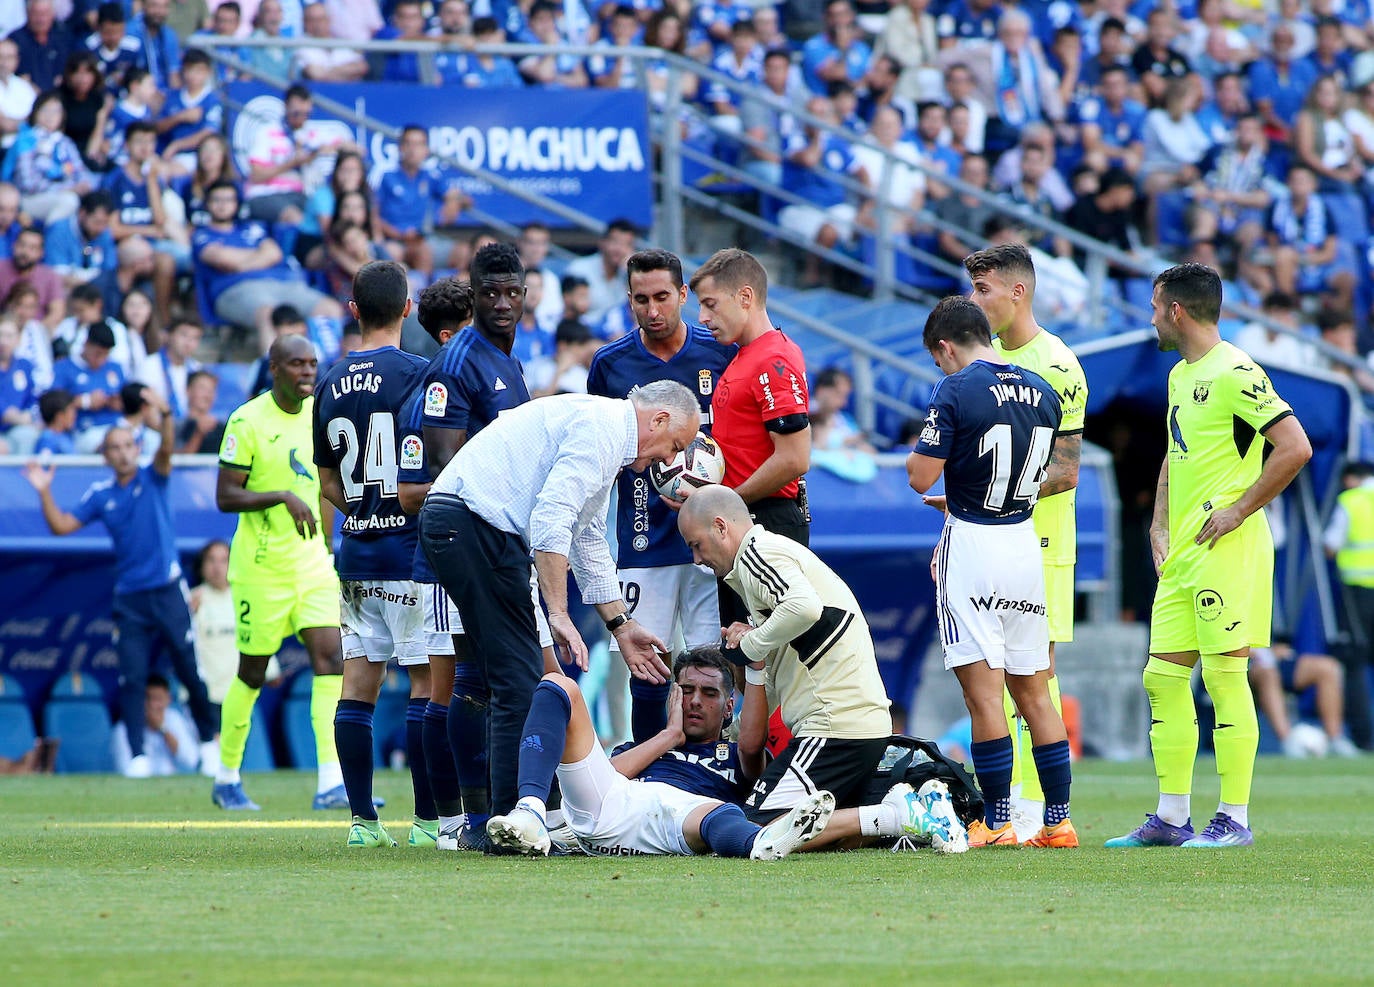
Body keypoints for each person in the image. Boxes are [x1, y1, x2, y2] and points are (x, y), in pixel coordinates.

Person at [418, 381, 700, 817]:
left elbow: (585, 537)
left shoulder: (604, 428)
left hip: (466, 525)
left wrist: (621, 625)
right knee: (519, 682)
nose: (668, 460)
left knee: (505, 679)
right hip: (475, 527)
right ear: (659, 420)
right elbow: (552, 518)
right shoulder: (603, 432)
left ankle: (507, 815)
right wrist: (558, 612)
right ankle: (515, 819)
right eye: (674, 445)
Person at [1106, 264, 1312, 849]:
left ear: (1177, 311)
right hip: (1184, 551)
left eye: (1154, 306)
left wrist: (1240, 510)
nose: (1149, 316)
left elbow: (1294, 447)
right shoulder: (1179, 375)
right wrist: (1157, 521)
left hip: (1228, 545)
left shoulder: (1237, 371)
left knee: (1225, 675)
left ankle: (1235, 819)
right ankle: (1172, 818)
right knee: (1162, 676)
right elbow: (1178, 454)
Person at [675, 485, 958, 851]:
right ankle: (889, 817)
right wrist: (741, 702)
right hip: (852, 725)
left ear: (720, 527)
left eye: (696, 544)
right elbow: (775, 672)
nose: (697, 558)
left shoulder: (757, 555)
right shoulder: (764, 563)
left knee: (755, 832)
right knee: (788, 830)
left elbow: (805, 607)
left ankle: (898, 815)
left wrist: (751, 642)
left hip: (834, 726)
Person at [396, 251, 555, 850]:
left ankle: (487, 812)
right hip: (460, 548)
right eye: (491, 292)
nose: (503, 303)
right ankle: (460, 816)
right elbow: (436, 477)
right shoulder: (457, 363)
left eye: (513, 291)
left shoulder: (507, 363)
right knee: (462, 682)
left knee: (484, 679)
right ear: (474, 294)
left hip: (499, 544)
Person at [907, 295, 1078, 848]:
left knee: (985, 696)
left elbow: (919, 475)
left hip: (974, 547)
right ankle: (1058, 823)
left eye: (940, 359)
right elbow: (1055, 470)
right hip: (1024, 543)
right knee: (1035, 692)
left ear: (945, 346)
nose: (942, 368)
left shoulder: (955, 389)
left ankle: (998, 820)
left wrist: (950, 477)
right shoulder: (1044, 391)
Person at [23, 391, 218, 779]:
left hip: (167, 590)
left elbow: (166, 447)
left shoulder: (155, 475)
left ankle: (209, 743)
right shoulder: (101, 495)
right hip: (130, 598)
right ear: (106, 456)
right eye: (116, 448)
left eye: (129, 445)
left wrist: (163, 413)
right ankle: (137, 755)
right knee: (131, 677)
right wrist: (44, 491)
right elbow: (61, 526)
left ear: (136, 447)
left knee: (187, 666)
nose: (124, 452)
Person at [586, 248, 736, 744]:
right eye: (640, 300)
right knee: (648, 667)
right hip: (642, 538)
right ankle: (650, 776)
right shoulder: (610, 365)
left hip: (712, 544)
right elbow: (602, 453)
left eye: (662, 297)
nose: (652, 310)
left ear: (684, 296)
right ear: (628, 300)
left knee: (714, 664)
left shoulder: (720, 353)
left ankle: (712, 768)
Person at [486, 647, 836, 859]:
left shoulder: (735, 754)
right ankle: (530, 810)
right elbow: (608, 777)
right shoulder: (648, 746)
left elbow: (751, 743)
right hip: (611, 805)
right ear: (674, 696)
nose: (695, 700)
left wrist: (756, 669)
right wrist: (669, 736)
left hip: (678, 820)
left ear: (729, 707)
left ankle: (761, 842)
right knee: (557, 684)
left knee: (720, 812)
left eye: (709, 693)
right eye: (686, 690)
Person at [964, 243, 1087, 837]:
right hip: (986, 542)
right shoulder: (979, 363)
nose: (975, 301)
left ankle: (1041, 809)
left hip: (1039, 544)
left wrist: (990, 488)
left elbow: (1066, 471)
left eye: (984, 290)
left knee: (1035, 676)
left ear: (1018, 291)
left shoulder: (1057, 366)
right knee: (989, 673)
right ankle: (1003, 808)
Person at [313, 260, 434, 849]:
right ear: (408, 308)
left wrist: (361, 509)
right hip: (411, 556)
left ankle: (362, 821)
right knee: (425, 686)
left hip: (358, 557)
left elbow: (327, 480)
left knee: (356, 687)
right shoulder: (420, 373)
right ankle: (428, 820)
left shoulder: (329, 381)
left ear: (353, 308)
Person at [212, 333, 347, 812]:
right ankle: (226, 776)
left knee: (331, 660)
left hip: (312, 566)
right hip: (261, 569)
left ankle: (331, 779)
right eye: (297, 364)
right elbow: (225, 496)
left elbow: (325, 486)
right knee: (251, 672)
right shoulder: (247, 421)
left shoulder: (321, 416)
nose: (308, 372)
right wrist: (281, 497)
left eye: (312, 363)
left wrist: (332, 547)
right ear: (274, 369)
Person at [688, 248, 811, 626]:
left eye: (710, 304)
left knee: (769, 658)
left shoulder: (773, 359)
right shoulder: (743, 356)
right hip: (743, 520)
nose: (702, 317)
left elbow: (794, 458)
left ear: (745, 297)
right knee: (742, 653)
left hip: (765, 521)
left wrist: (724, 503)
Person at [1323, 461, 1374, 751]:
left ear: (1351, 478)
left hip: (1359, 593)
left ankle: (1364, 738)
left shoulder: (1351, 501)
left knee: (1354, 664)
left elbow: (1331, 544)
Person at [111, 674, 200, 776]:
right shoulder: (123, 728)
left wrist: (163, 729)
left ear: (168, 699)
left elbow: (191, 760)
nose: (153, 705)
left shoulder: (173, 718)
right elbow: (125, 768)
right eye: (148, 698)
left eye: (158, 699)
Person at [174, 369, 223, 454]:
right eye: (202, 388)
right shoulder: (176, 427)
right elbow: (176, 461)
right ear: (188, 391)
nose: (207, 395)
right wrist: (198, 434)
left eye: (211, 390)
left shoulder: (222, 428)